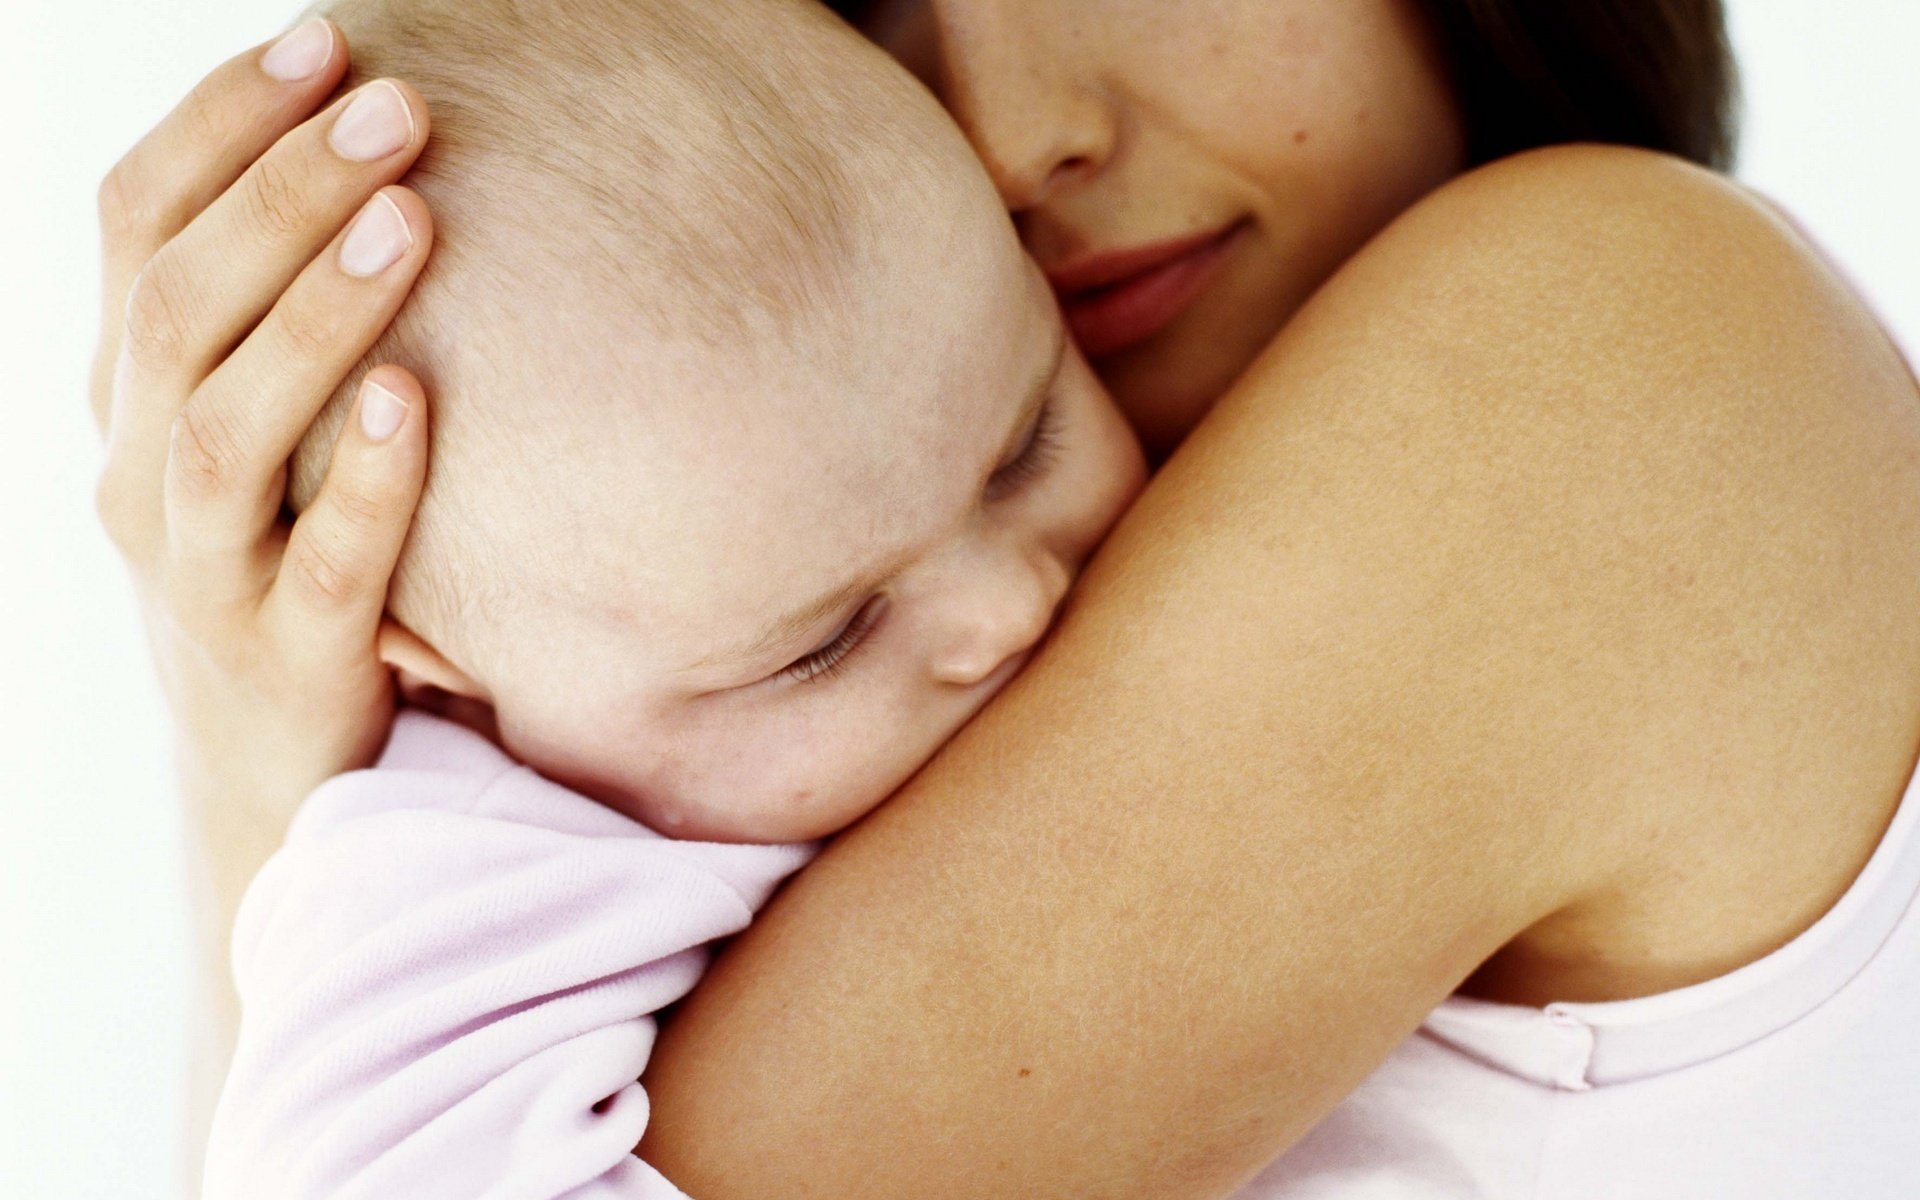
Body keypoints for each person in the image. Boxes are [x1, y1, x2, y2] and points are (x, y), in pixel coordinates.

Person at [91, 1, 1920, 1196]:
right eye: (871, 4)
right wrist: (278, 714)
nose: (1016, 128)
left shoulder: (1613, 353)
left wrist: (283, 790)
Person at [196, 0, 1143, 1192]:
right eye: (825, 645)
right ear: (437, 666)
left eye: (1029, 443)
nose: (1009, 607)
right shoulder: (471, 886)